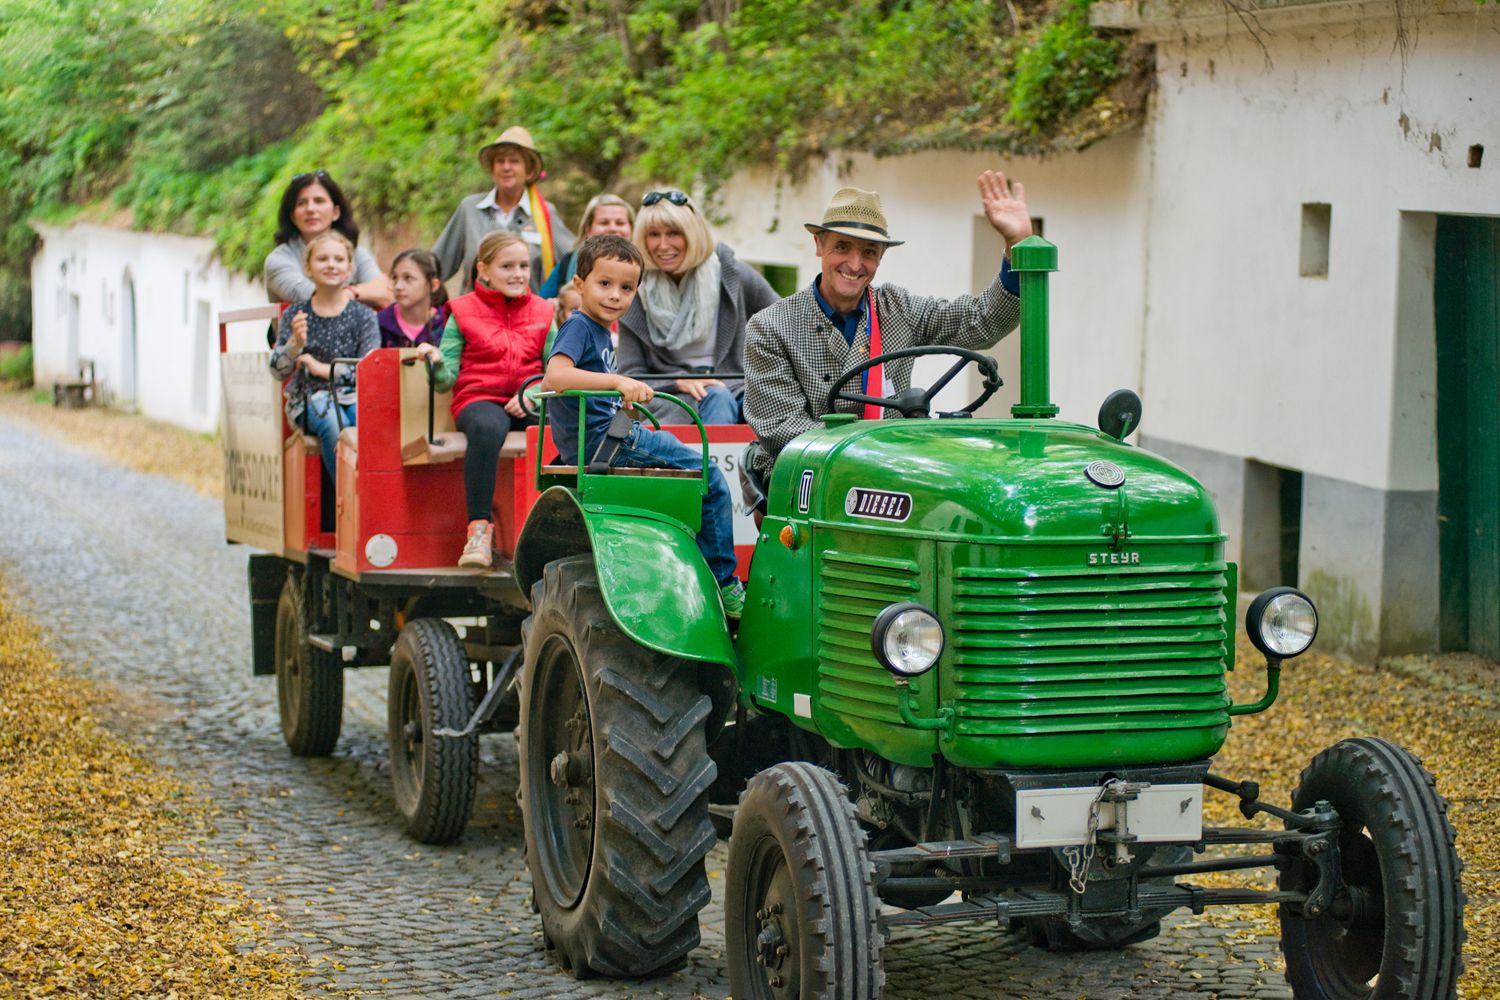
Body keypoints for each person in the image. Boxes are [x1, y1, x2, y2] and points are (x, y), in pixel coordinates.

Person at [743, 172, 1032, 488]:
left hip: (894, 474)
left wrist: (1016, 245)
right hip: (809, 479)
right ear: (818, 244)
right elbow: (781, 429)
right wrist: (876, 457)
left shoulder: (898, 308)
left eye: (868, 252)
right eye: (842, 247)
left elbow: (981, 322)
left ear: (881, 256)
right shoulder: (771, 327)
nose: (855, 265)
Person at [543, 234, 744, 617]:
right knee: (709, 476)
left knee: (689, 468)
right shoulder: (580, 326)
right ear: (579, 284)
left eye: (626, 288)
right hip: (609, 443)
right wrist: (618, 382)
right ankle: (724, 582)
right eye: (604, 284)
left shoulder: (601, 332)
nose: (615, 295)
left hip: (611, 435)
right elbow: (556, 376)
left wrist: (623, 395)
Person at [415, 231, 555, 569]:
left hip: (529, 396)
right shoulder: (461, 312)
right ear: (484, 270)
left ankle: (557, 526)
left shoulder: (543, 311)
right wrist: (433, 363)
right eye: (507, 266)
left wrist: (532, 395)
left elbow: (556, 369)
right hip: (480, 396)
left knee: (559, 429)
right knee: (486, 428)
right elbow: (447, 377)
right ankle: (478, 531)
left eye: (523, 265)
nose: (518, 274)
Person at [616, 189, 779, 425]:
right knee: (717, 398)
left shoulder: (731, 273)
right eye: (653, 234)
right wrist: (678, 382)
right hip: (669, 396)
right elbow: (631, 373)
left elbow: (784, 319)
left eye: (673, 233)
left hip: (738, 386)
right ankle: (712, 462)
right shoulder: (634, 289)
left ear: (692, 234)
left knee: (762, 406)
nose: (663, 245)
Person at [269, 232, 380, 481]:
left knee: (366, 422)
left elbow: (370, 369)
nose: (331, 265)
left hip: (354, 397)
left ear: (349, 269)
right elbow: (278, 370)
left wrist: (322, 369)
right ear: (307, 268)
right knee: (331, 421)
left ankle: (370, 487)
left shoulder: (364, 316)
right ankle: (349, 491)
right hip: (308, 399)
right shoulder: (295, 314)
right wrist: (294, 345)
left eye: (339, 259)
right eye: (322, 259)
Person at [432, 126, 574, 294]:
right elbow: (437, 266)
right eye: (500, 161)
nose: (506, 167)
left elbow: (572, 262)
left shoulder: (545, 214)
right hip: (475, 315)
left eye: (514, 161)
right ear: (492, 169)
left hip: (528, 315)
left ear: (528, 171)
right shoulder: (470, 209)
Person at [264, 170, 392, 309]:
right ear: (293, 217)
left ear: (336, 212)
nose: (311, 209)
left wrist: (351, 293)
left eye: (319, 201)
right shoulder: (279, 260)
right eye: (301, 203)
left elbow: (386, 292)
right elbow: (315, 297)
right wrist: (362, 292)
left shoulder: (356, 253)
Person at [538, 193, 635, 298]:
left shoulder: (645, 265)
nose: (612, 228)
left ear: (631, 228)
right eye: (604, 223)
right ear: (588, 229)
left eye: (620, 223)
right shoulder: (569, 262)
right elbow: (541, 303)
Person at [376, 249, 449, 349]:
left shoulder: (447, 325)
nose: (398, 286)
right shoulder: (379, 323)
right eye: (394, 278)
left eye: (408, 278)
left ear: (433, 285)